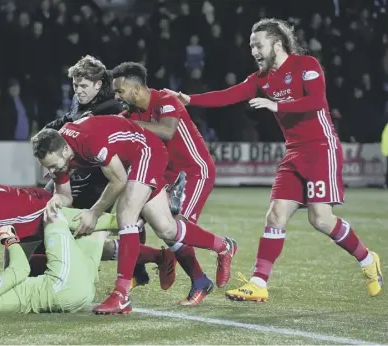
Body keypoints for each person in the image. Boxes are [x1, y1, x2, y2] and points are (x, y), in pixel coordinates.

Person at [166, 18, 383, 301]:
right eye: (251, 46)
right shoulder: (261, 79)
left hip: (321, 149)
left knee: (320, 219)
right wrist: (190, 100)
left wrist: (275, 104)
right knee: (276, 214)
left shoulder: (306, 66)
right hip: (294, 152)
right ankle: (259, 282)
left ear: (277, 43)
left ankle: (368, 260)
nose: (254, 51)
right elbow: (229, 95)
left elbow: (316, 101)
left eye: (258, 45)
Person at [31, 116, 237, 315]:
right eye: (47, 167)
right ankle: (223, 246)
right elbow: (64, 195)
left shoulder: (88, 141)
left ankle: (121, 294)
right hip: (129, 160)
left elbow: (118, 181)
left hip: (147, 151)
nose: (51, 171)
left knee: (126, 215)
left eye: (53, 166)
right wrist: (54, 201)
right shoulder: (59, 152)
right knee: (167, 228)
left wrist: (93, 213)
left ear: (66, 149)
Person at [110, 62, 227, 306]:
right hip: (167, 174)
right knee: (134, 214)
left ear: (136, 88)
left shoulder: (165, 99)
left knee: (178, 228)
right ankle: (139, 271)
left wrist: (130, 126)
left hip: (195, 171)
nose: (117, 96)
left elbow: (167, 131)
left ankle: (208, 269)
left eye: (120, 90)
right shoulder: (130, 114)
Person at [42, 55, 155, 288]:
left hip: (101, 177)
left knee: (82, 229)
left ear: (98, 85)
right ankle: (141, 265)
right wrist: (46, 135)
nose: (78, 91)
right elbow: (68, 120)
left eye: (83, 86)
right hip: (79, 171)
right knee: (48, 209)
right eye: (75, 85)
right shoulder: (81, 102)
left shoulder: (112, 108)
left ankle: (153, 259)